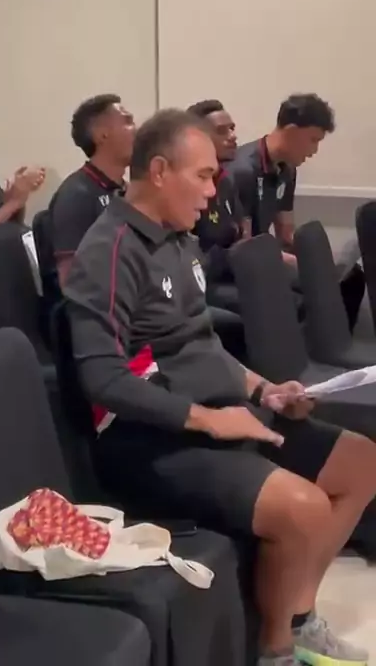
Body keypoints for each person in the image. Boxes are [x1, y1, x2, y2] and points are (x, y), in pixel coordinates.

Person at [65, 109, 376, 666]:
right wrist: (209, 420)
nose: (214, 192)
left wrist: (263, 391)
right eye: (204, 176)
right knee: (304, 508)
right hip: (150, 438)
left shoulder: (178, 239)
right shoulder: (108, 249)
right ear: (160, 171)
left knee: (363, 464)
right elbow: (103, 377)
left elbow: (203, 344)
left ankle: (297, 617)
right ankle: (275, 650)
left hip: (218, 413)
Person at [226, 93, 365, 330]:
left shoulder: (287, 170)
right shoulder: (242, 171)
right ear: (291, 131)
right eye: (313, 140)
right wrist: (297, 263)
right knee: (308, 291)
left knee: (352, 279)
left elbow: (286, 233)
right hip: (240, 262)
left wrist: (318, 257)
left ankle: (334, 344)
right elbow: (243, 246)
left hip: (265, 253)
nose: (315, 150)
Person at [49, 94, 135, 291]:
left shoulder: (128, 191)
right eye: (127, 121)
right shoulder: (76, 195)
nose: (136, 129)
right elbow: (71, 280)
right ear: (101, 135)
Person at [188, 99, 245, 314]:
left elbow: (241, 235)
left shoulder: (226, 181)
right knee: (261, 305)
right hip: (200, 286)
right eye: (222, 131)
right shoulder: (187, 188)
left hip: (229, 274)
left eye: (232, 128)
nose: (232, 136)